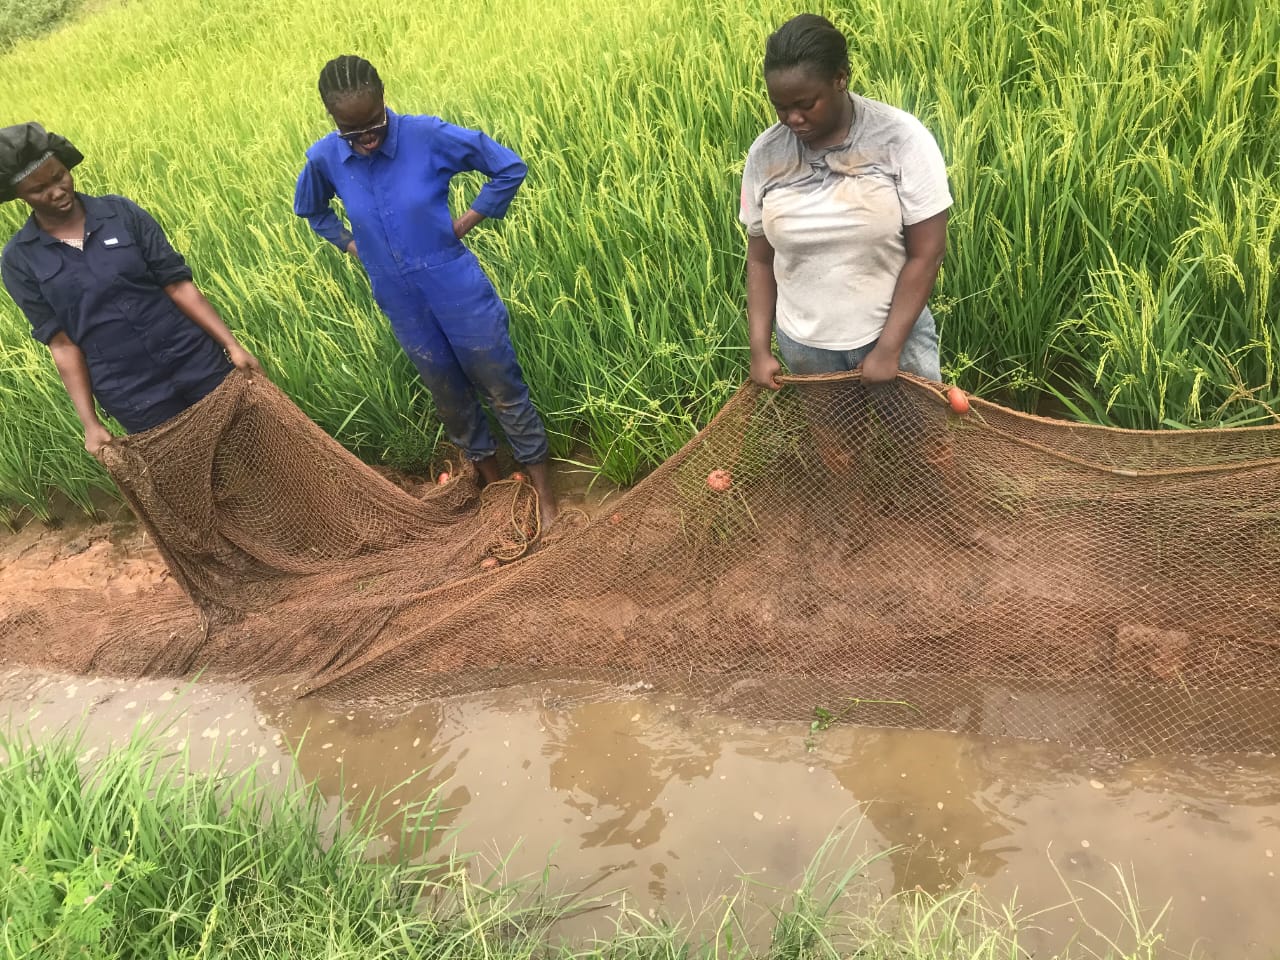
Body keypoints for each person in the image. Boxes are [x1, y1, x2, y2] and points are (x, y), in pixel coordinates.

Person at [294, 55, 559, 528]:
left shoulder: (426, 135)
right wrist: (353, 245)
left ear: (384, 102)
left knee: (499, 383)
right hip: (399, 298)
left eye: (373, 125)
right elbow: (312, 211)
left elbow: (507, 167)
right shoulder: (324, 158)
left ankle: (544, 493)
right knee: (448, 394)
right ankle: (496, 490)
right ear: (332, 119)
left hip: (454, 283)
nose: (367, 139)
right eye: (352, 133)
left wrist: (464, 223)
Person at [0, 122, 261, 455]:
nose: (56, 191)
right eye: (39, 190)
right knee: (185, 469)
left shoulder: (120, 213)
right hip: (132, 391)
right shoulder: (19, 260)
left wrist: (232, 345)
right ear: (19, 196)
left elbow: (178, 285)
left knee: (249, 446)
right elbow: (62, 345)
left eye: (59, 176)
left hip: (195, 359)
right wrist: (90, 424)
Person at [741, 14, 951, 390]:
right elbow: (759, 258)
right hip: (807, 346)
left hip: (894, 335)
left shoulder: (900, 139)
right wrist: (759, 348)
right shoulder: (765, 155)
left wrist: (888, 349)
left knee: (922, 444)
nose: (793, 118)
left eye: (805, 103)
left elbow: (928, 251)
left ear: (840, 77)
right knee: (834, 448)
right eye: (780, 106)